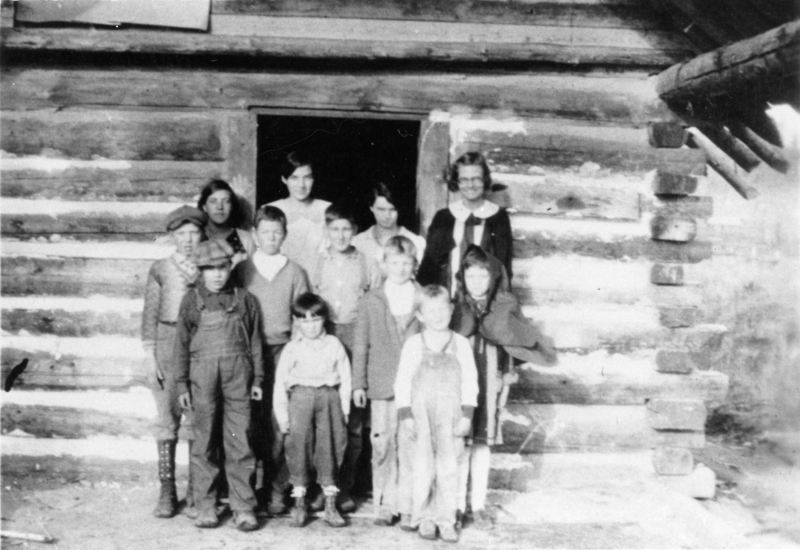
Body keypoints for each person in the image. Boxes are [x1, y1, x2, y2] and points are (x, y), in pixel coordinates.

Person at [450, 245, 557, 530]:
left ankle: (478, 505)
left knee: (482, 445)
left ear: (493, 278)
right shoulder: (456, 309)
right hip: (461, 390)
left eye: (482, 276)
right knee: (461, 444)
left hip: (489, 386)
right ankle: (458, 505)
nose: (476, 282)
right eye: (470, 276)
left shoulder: (503, 308)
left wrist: (507, 377)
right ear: (463, 278)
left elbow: (511, 345)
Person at [173, 239, 264, 531]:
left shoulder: (245, 299)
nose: (217, 274)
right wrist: (181, 384)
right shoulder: (191, 301)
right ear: (200, 270)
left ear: (230, 267)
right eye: (210, 268)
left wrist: (259, 378)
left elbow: (255, 342)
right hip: (202, 379)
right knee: (204, 441)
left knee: (240, 441)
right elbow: (180, 346)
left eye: (222, 267)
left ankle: (243, 506)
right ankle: (206, 506)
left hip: (239, 378)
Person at [231, 205, 310, 516]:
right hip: (248, 353)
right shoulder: (243, 270)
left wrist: (295, 354)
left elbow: (303, 318)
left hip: (281, 351)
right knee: (249, 420)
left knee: (279, 421)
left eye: (277, 232)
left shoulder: (295, 272)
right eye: (265, 232)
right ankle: (248, 488)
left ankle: (277, 487)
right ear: (255, 235)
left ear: (285, 235)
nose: (272, 238)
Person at [310, 203, 381, 512]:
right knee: (322, 414)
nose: (340, 235)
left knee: (353, 419)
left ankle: (345, 487)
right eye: (334, 229)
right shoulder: (317, 262)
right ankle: (319, 487)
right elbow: (308, 302)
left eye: (346, 229)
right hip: (324, 335)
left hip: (355, 336)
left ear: (354, 231)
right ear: (327, 231)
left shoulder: (366, 262)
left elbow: (377, 300)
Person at [394, 285, 478, 543]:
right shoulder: (413, 344)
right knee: (422, 467)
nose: (438, 315)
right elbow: (402, 382)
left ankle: (446, 518)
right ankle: (423, 517)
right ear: (419, 315)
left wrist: (466, 416)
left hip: (450, 416)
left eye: (443, 309)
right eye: (430, 311)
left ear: (451, 310)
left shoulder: (461, 344)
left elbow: (470, 382)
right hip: (420, 416)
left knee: (449, 467)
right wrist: (406, 415)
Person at [351, 235, 421, 528]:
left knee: (409, 444)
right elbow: (361, 343)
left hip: (414, 387)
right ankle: (385, 502)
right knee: (381, 443)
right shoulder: (372, 299)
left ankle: (407, 504)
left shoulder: (422, 297)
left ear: (414, 265)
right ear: (384, 264)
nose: (400, 268)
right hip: (381, 383)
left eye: (406, 263)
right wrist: (358, 383)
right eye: (395, 262)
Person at [142, 205, 206, 519]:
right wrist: (150, 355)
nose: (189, 240)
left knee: (196, 417)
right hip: (167, 341)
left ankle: (197, 491)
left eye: (194, 232)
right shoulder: (161, 268)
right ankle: (167, 490)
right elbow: (150, 314)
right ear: (172, 235)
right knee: (168, 418)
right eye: (181, 234)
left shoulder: (210, 265)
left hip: (199, 342)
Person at [273, 293, 352, 529]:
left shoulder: (334, 345)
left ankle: (330, 504)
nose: (311, 326)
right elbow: (280, 384)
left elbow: (346, 378)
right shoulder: (291, 348)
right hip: (300, 398)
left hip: (329, 398)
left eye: (315, 319)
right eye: (304, 321)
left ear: (324, 319)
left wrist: (345, 410)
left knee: (329, 447)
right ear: (296, 322)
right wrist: (283, 416)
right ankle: (299, 504)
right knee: (299, 447)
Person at [417, 152, 512, 294]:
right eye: (464, 179)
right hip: (447, 303)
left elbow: (504, 268)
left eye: (476, 179)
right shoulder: (443, 218)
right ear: (457, 182)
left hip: (486, 305)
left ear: (485, 180)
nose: (470, 185)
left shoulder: (499, 219)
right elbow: (429, 267)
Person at [267, 151, 331, 275]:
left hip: (318, 283)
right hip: (281, 280)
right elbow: (258, 248)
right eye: (294, 178)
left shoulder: (326, 209)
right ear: (284, 179)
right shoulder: (271, 209)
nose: (301, 185)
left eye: (307, 177)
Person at [352, 180, 426, 273]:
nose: (387, 215)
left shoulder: (414, 242)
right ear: (371, 208)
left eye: (392, 209)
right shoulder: (358, 242)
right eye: (381, 209)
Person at [197, 179, 256, 265]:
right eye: (213, 201)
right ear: (204, 207)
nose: (220, 207)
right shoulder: (197, 237)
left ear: (232, 206)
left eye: (226, 201)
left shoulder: (245, 239)